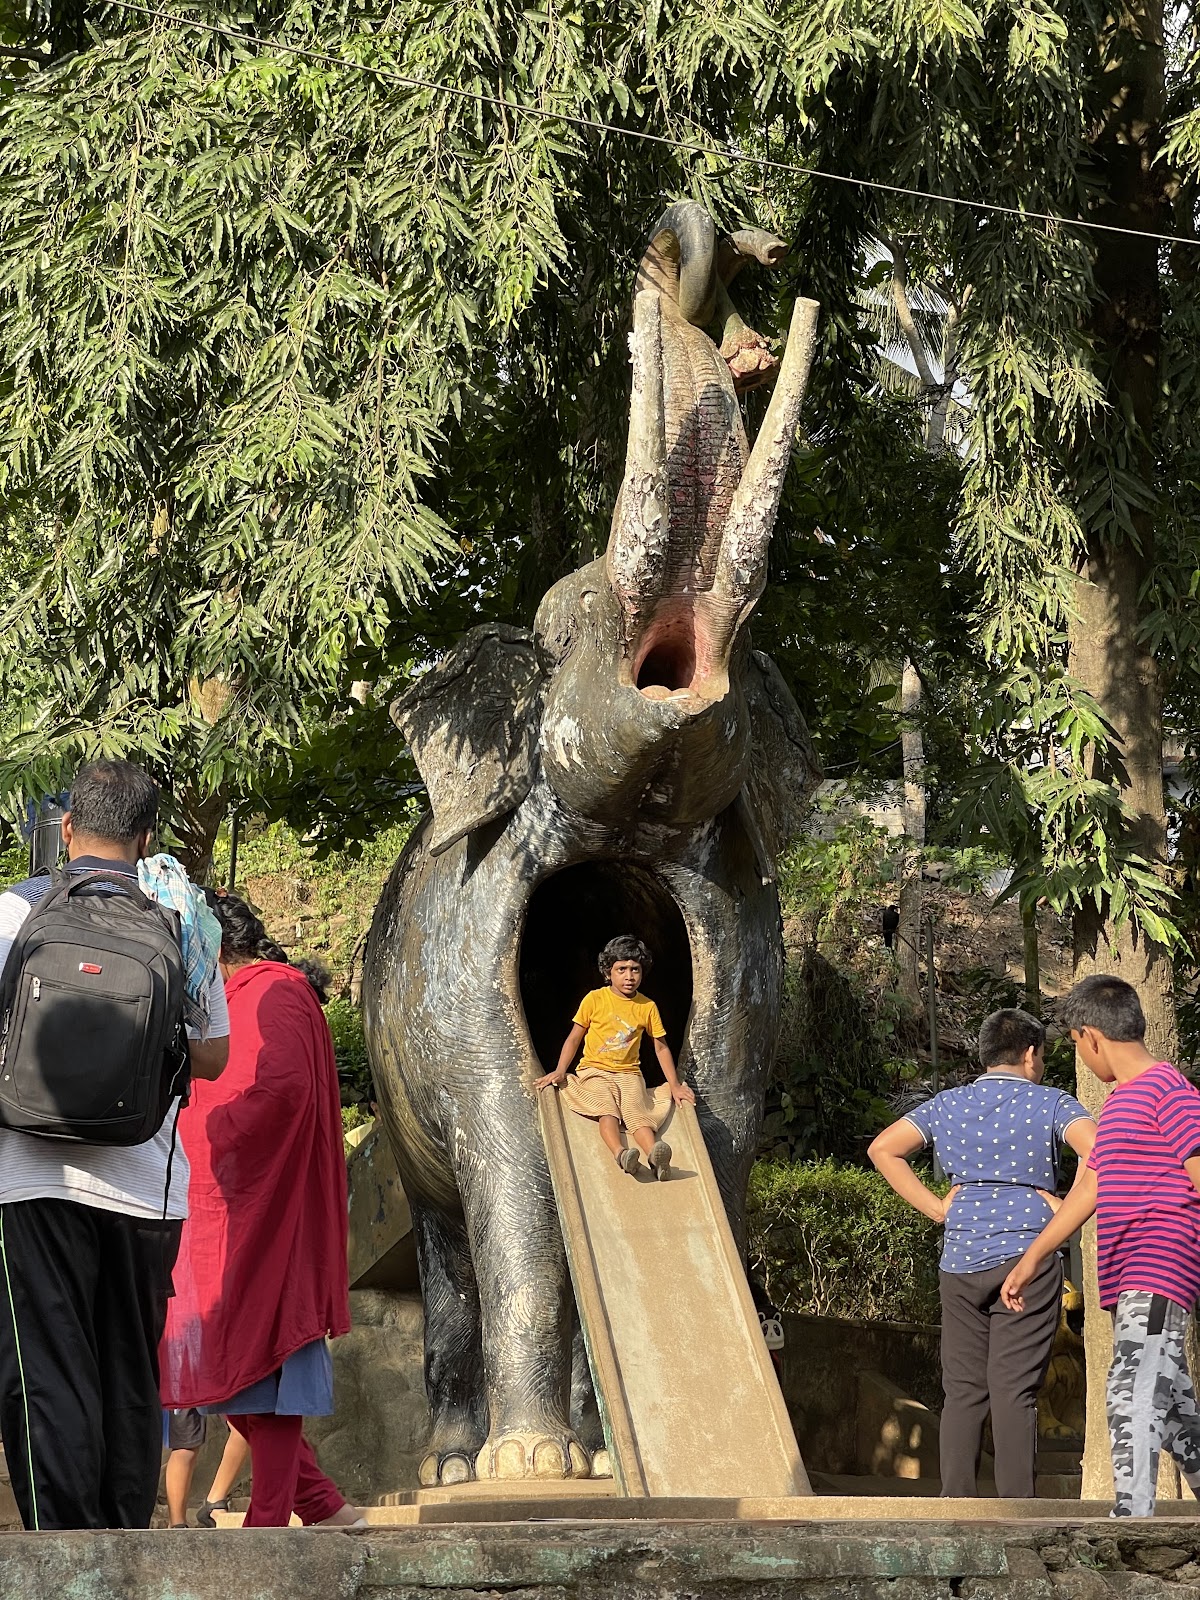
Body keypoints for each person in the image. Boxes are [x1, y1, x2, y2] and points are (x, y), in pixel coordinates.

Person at [0, 760, 229, 1530]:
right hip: (144, 1185)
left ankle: (65, 1557)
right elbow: (212, 1056)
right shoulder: (182, 915)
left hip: (29, 1180)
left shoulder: (14, 914)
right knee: (129, 1372)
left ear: (65, 828)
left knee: (47, 1373)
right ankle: (127, 1554)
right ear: (147, 836)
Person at [159, 894, 360, 1528]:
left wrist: (191, 1130)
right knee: (231, 1371)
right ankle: (321, 1505)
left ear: (212, 950)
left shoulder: (277, 992)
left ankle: (268, 1526)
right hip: (227, 1206)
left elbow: (281, 1092)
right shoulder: (244, 995)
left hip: (268, 1212)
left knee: (270, 1369)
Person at [869, 1007, 1094, 1498]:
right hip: (1027, 1260)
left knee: (964, 1392)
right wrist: (1064, 1206)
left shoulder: (946, 1105)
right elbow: (1100, 1151)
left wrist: (935, 1207)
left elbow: (883, 1149)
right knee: (1015, 1392)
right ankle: (1017, 1516)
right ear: (1031, 1054)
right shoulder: (1053, 1104)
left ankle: (956, 1511)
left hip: (961, 1260)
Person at [1001, 975, 1200, 1516]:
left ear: (1089, 1037)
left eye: (1077, 1048)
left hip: (1160, 1259)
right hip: (1129, 1270)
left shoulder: (1169, 1090)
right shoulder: (1117, 1104)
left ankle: (1131, 1517)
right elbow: (1090, 1187)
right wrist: (1034, 1256)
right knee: (1176, 1407)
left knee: (1129, 1385)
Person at [534, 934, 694, 1180]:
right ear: (609, 972)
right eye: (621, 969)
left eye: (635, 970)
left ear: (643, 973)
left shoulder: (647, 1006)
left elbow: (660, 1048)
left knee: (638, 1113)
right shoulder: (595, 999)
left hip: (629, 1073)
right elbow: (575, 1037)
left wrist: (674, 1085)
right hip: (594, 1071)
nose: (629, 976)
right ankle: (622, 1154)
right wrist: (559, 1069)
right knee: (606, 1110)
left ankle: (655, 1155)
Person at [163, 1411, 250, 1528]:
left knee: (243, 1428)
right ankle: (177, 1524)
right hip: (186, 1394)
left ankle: (215, 1501)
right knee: (185, 1444)